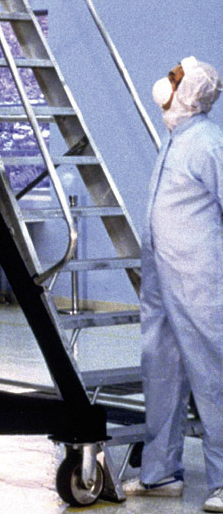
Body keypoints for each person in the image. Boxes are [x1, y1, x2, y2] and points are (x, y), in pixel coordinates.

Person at [124, 56, 223, 513]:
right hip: (162, 277)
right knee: (160, 368)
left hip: (199, 278)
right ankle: (161, 472)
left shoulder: (208, 143)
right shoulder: (176, 139)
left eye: (174, 78)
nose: (165, 83)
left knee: (212, 374)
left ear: (190, 93)